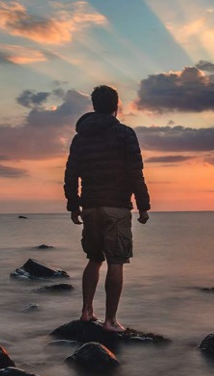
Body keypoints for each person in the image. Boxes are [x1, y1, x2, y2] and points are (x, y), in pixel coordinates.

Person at [64, 85, 150, 332]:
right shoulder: (124, 134)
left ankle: (86, 312)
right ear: (116, 105)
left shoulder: (81, 138)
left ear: (93, 105)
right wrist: (143, 206)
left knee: (93, 259)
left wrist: (73, 205)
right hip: (116, 207)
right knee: (116, 262)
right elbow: (135, 172)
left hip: (90, 206)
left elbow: (71, 173)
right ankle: (110, 321)